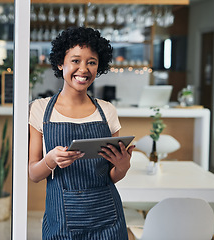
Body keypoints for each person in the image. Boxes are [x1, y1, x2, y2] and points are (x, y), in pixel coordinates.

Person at [28, 27, 135, 240]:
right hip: (62, 221)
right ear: (61, 63)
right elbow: (33, 174)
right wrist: (50, 160)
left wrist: (123, 167)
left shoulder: (107, 111)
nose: (83, 69)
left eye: (92, 62)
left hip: (108, 219)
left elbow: (111, 177)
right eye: (75, 60)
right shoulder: (40, 109)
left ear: (99, 66)